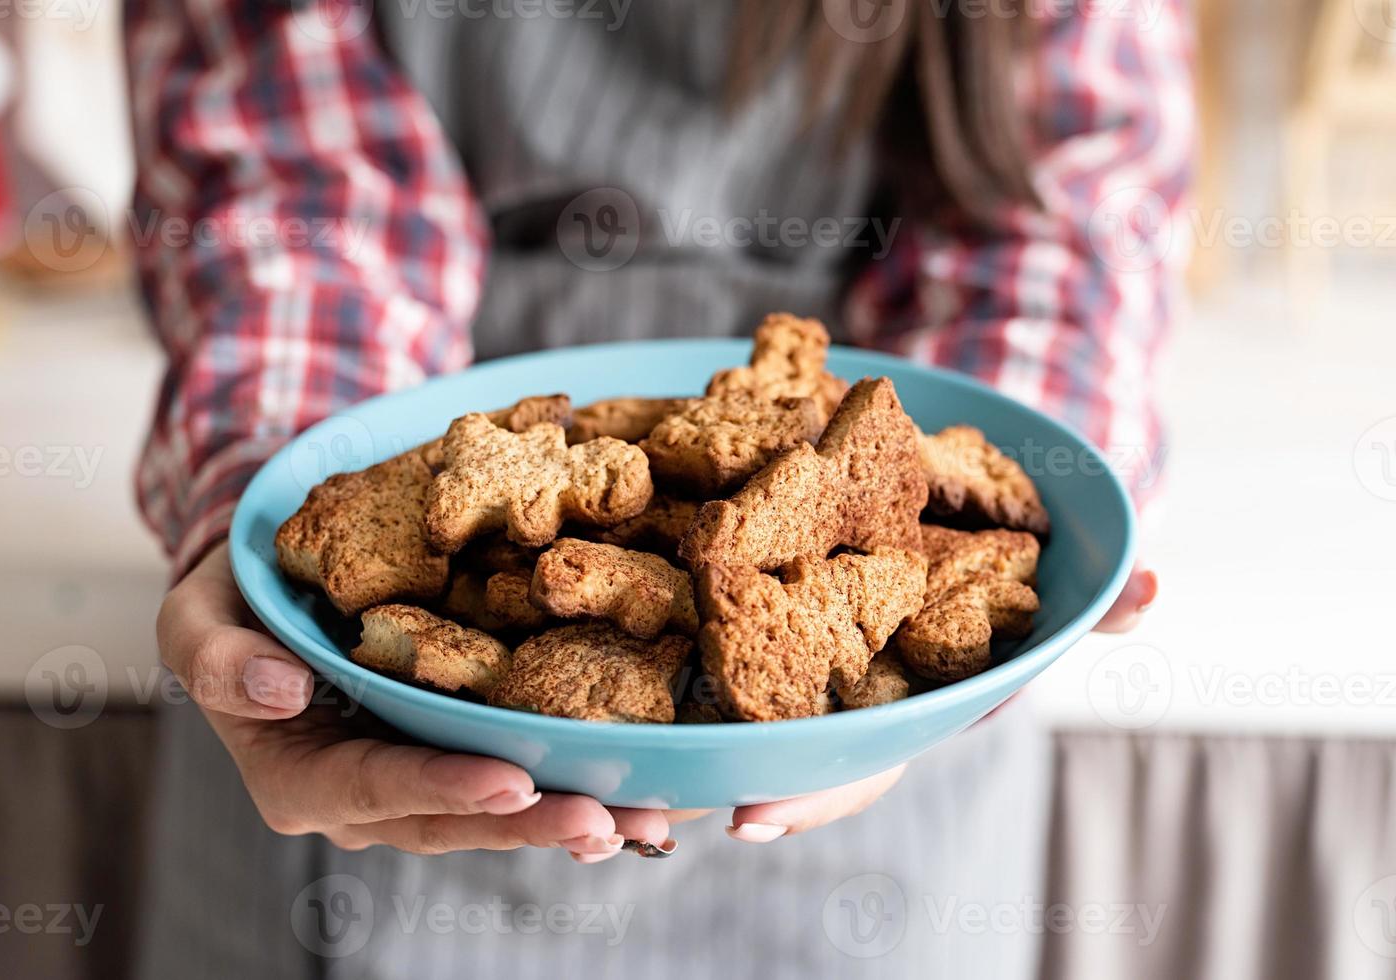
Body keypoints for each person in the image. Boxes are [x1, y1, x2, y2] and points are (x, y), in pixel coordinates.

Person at [129, 0, 1183, 976]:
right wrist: (283, 474)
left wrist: (1007, 462)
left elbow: (1061, 220)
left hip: (883, 800)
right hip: (363, 739)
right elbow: (297, 192)